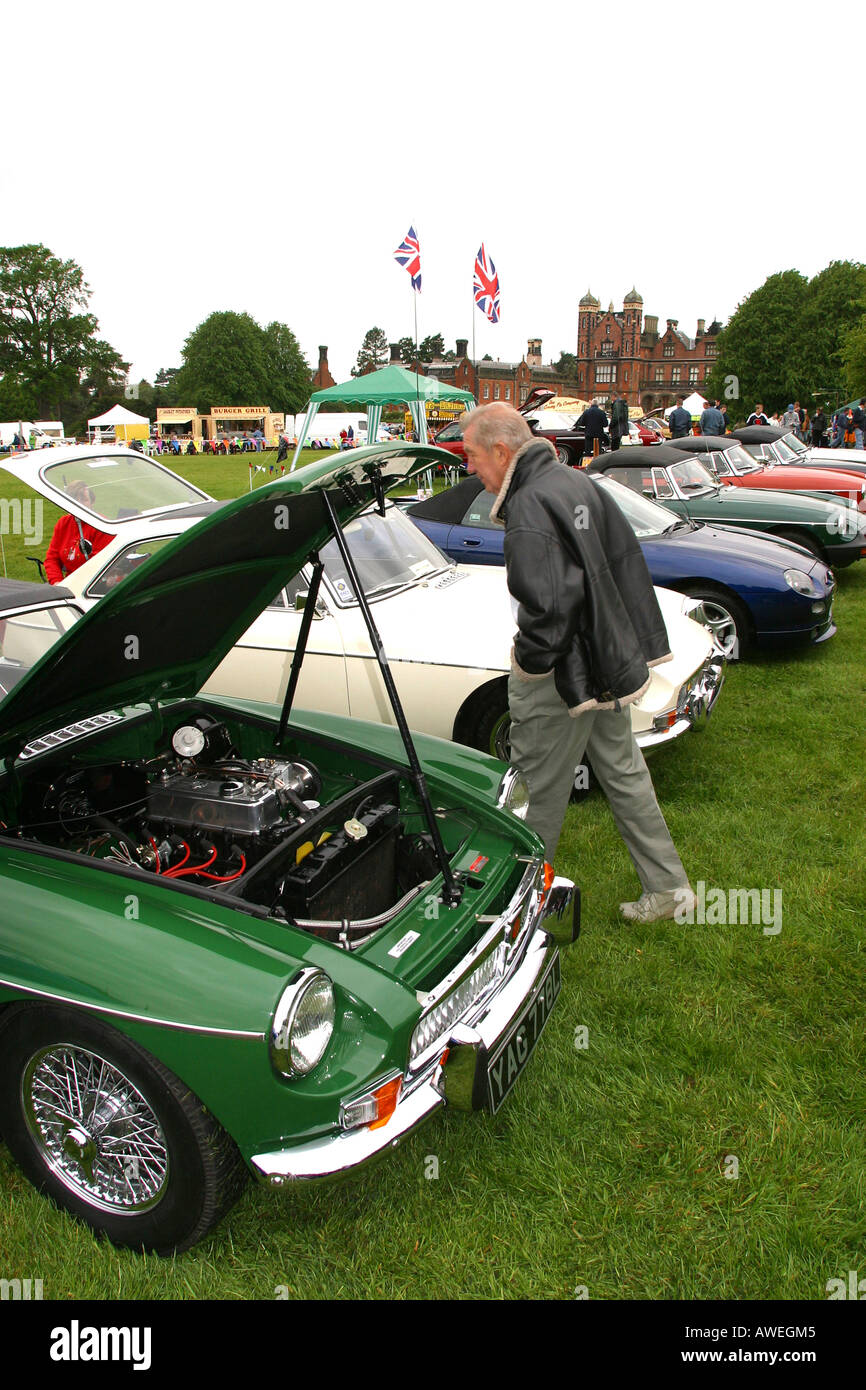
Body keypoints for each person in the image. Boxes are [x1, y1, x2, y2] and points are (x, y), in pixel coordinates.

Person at [461, 401, 696, 922]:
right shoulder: (576, 481)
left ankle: (521, 910)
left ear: (502, 451)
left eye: (473, 456)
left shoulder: (529, 503)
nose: (470, 467)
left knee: (534, 793)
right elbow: (622, 563)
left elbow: (548, 606)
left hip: (563, 674)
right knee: (625, 772)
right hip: (603, 663)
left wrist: (529, 663)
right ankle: (671, 891)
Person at [44, 481, 113, 584]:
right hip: (67, 584)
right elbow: (52, 558)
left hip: (93, 584)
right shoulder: (63, 523)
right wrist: (57, 582)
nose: (79, 504)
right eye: (75, 500)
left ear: (92, 502)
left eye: (84, 500)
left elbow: (99, 564)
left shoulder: (102, 525)